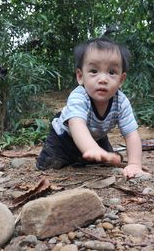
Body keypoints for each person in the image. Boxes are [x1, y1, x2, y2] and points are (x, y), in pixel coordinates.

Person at [36, 37, 143, 178]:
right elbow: (76, 124)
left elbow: (131, 134)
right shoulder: (79, 96)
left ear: (121, 80)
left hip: (97, 138)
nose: (103, 79)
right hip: (63, 137)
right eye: (94, 71)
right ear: (80, 76)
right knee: (51, 163)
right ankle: (80, 155)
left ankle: (86, 156)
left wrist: (135, 164)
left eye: (111, 72)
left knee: (107, 159)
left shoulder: (121, 101)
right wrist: (92, 148)